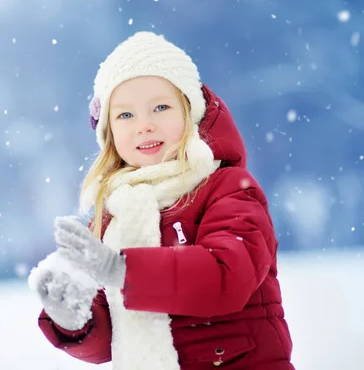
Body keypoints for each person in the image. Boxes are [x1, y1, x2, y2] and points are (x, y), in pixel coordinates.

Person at [27, 31, 295, 369]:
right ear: (109, 133)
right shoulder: (112, 215)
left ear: (191, 114)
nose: (144, 125)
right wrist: (73, 317)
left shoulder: (228, 188)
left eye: (160, 107)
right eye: (125, 115)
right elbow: (110, 342)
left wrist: (121, 269)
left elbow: (227, 275)